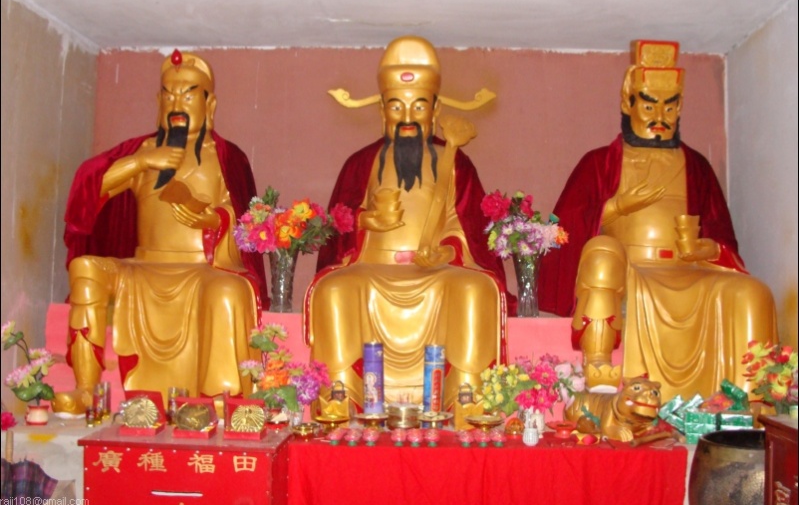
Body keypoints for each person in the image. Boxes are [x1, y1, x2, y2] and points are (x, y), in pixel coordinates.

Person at [538, 39, 778, 402]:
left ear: (680, 107)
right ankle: (599, 371)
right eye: (649, 105)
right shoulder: (599, 162)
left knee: (753, 293)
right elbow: (564, 226)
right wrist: (618, 206)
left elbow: (722, 236)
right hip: (629, 269)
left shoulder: (695, 166)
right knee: (601, 254)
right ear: (628, 103)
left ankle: (752, 398)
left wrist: (703, 248)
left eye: (670, 106)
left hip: (688, 269)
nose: (660, 116)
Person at [53, 51, 267, 415]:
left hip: (202, 269)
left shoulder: (225, 157)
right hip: (142, 267)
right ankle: (86, 391)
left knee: (228, 291)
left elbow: (243, 221)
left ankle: (219, 399)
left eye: (188, 94)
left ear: (209, 104)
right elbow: (90, 191)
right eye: (168, 94)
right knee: (85, 268)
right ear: (158, 101)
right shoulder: (143, 151)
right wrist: (139, 163)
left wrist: (211, 220)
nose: (176, 103)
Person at [304, 36, 510, 410]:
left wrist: (446, 251)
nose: (408, 118)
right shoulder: (362, 163)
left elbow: (465, 225)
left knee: (476, 290)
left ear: (436, 109)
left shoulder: (455, 163)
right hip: (371, 267)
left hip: (437, 272)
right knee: (332, 291)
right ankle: (340, 394)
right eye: (397, 107)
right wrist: (368, 221)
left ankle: (465, 394)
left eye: (419, 106)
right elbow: (340, 224)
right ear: (382, 111)